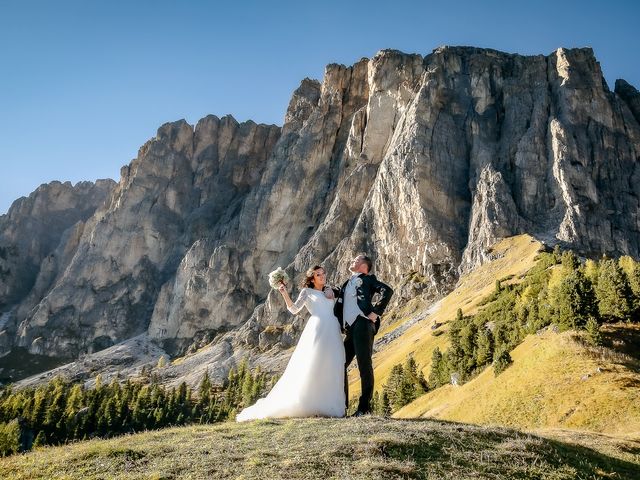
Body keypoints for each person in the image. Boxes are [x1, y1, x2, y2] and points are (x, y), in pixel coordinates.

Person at [236, 266, 345, 421]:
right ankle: (308, 403)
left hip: (333, 328)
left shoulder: (329, 290)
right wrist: (284, 293)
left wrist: (333, 293)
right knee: (314, 363)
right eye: (318, 274)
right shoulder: (307, 292)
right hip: (318, 328)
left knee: (332, 364)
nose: (322, 276)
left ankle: (331, 406)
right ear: (312, 278)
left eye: (323, 273)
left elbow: (342, 297)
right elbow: (294, 309)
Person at [334, 254, 393, 416]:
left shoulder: (368, 279)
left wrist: (376, 312)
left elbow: (387, 291)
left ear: (364, 266)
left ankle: (364, 408)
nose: (353, 260)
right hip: (350, 329)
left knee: (364, 365)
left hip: (362, 324)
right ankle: (342, 407)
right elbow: (339, 296)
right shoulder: (347, 283)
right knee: (339, 365)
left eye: (356, 259)